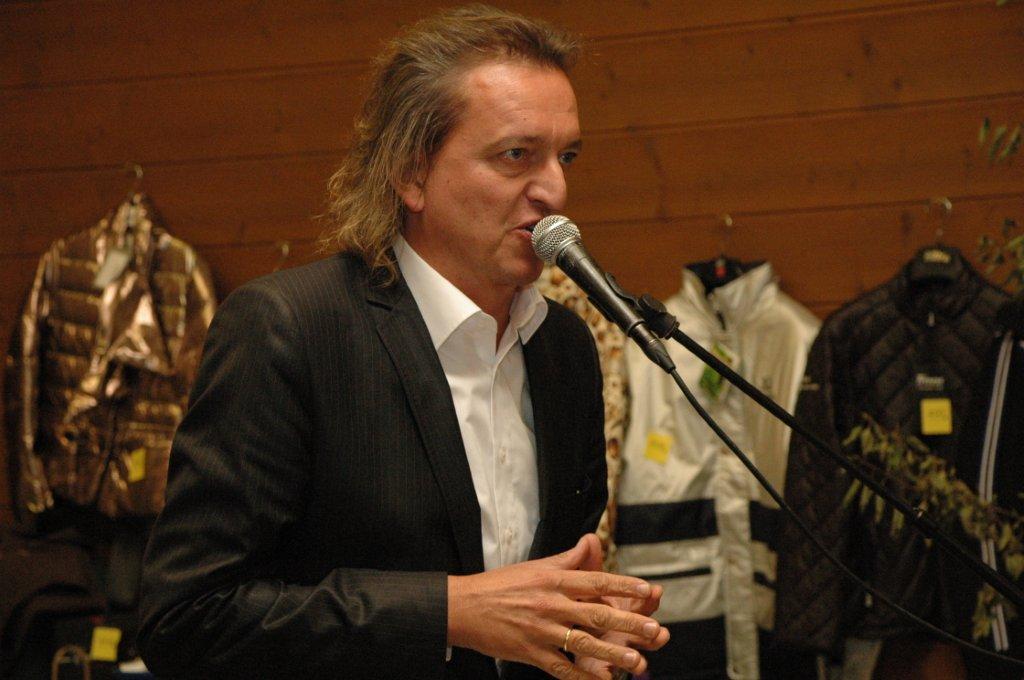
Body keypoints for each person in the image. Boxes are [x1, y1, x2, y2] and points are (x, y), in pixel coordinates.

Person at [137, 5, 669, 679]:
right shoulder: (288, 329)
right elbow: (186, 620)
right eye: (516, 156)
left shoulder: (564, 346)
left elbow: (538, 607)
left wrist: (587, 626)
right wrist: (446, 613)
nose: (555, 190)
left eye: (565, 157)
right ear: (412, 174)